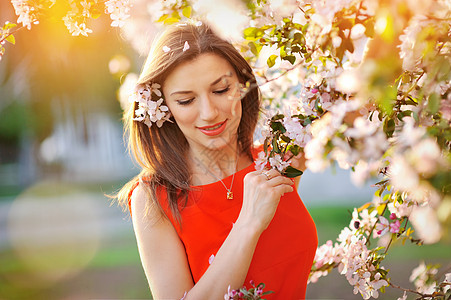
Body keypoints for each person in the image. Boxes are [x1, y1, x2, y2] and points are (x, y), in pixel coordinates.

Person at [117, 20, 318, 300]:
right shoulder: (154, 198)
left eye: (221, 90)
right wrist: (248, 223)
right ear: (164, 109)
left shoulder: (276, 159)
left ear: (242, 85)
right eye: (186, 100)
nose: (209, 112)